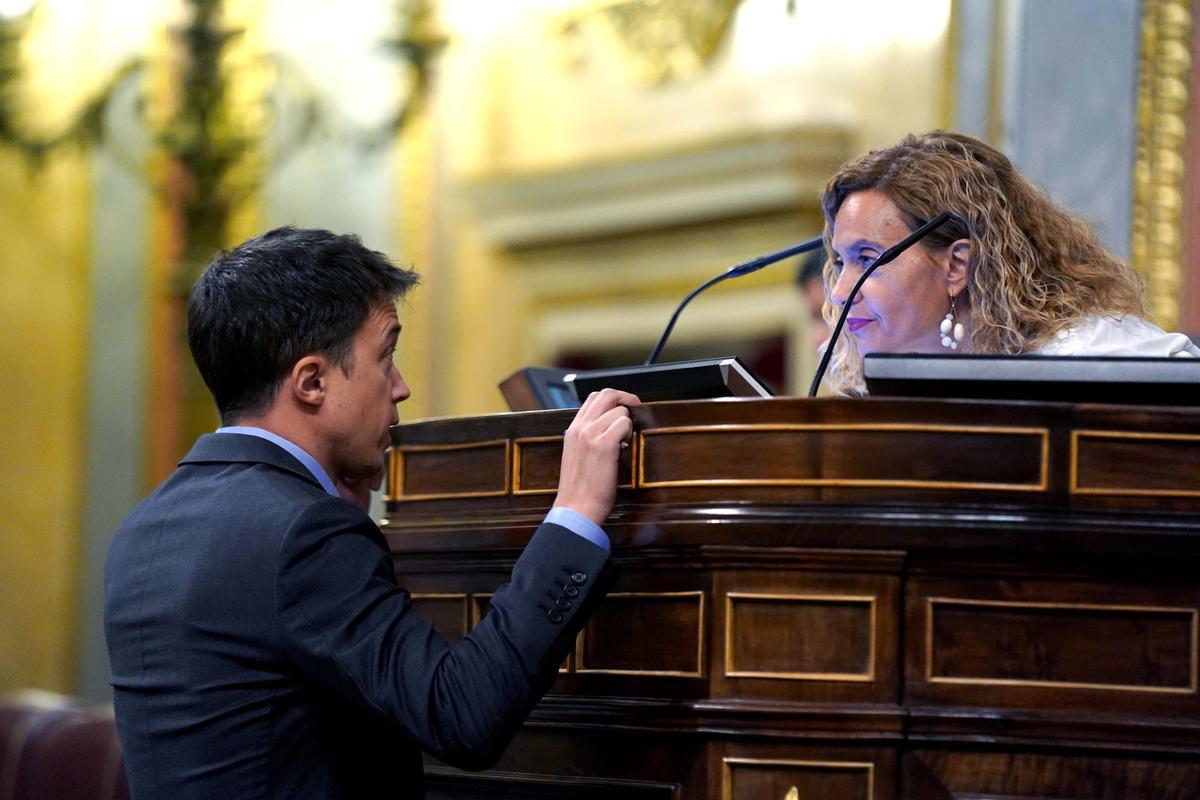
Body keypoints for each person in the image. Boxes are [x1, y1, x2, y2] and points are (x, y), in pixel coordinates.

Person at [104, 227, 640, 799]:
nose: (402, 387)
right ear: (312, 381)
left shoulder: (144, 525)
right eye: (385, 356)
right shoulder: (306, 532)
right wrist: (576, 512)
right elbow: (461, 716)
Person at [819, 130, 1199, 395]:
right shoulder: (871, 389)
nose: (838, 292)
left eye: (866, 259)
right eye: (839, 262)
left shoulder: (1094, 360)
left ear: (956, 266)